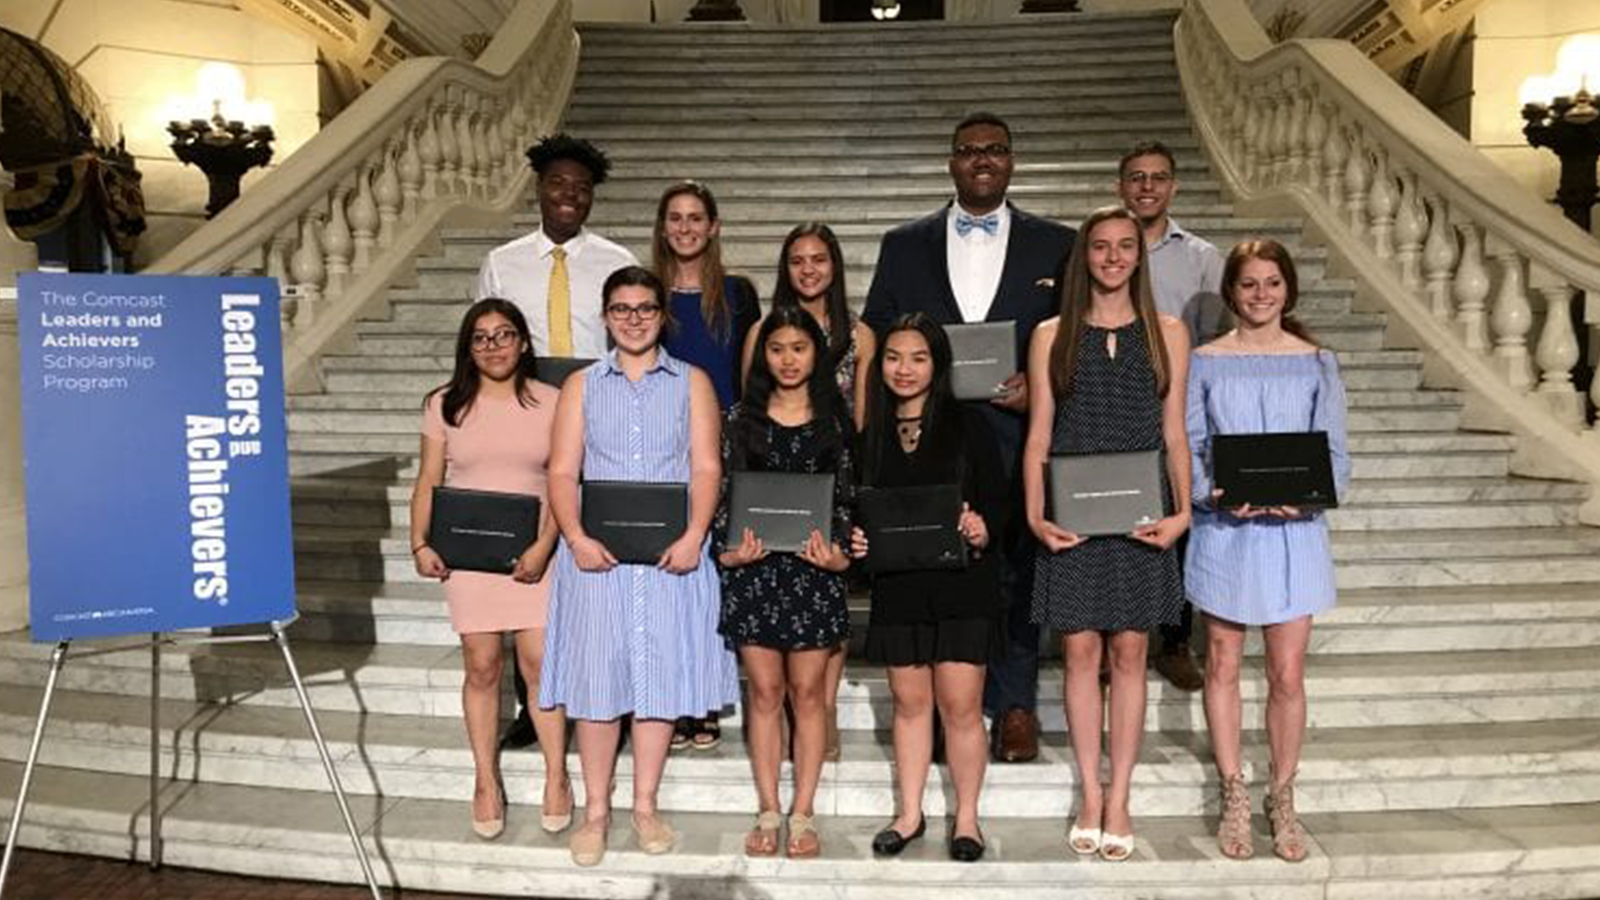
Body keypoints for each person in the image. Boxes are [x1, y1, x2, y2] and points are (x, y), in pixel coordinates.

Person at [864, 112, 1075, 764]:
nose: (982, 159)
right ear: (951, 162)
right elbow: (875, 333)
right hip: (926, 437)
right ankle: (928, 711)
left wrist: (1040, 388)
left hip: (1017, 438)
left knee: (1014, 569)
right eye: (968, 151)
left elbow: (1073, 343)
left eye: (995, 150)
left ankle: (1014, 704)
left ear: (1012, 162)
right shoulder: (905, 244)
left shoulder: (1057, 244)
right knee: (929, 562)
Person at [539, 266, 740, 867]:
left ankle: (644, 807)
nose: (633, 319)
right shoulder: (580, 385)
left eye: (645, 308)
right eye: (621, 309)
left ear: (662, 315)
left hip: (669, 557)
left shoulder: (691, 382)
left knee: (657, 685)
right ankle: (597, 810)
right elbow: (559, 470)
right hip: (595, 559)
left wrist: (694, 535)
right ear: (605, 317)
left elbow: (707, 467)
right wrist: (573, 536)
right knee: (598, 689)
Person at [1024, 205, 1191, 862]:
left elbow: (1175, 433)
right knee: (1079, 657)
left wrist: (1183, 514)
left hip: (1144, 516)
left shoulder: (1168, 333)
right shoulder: (1051, 335)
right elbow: (1038, 436)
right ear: (1084, 257)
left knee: (1130, 655)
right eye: (1101, 247)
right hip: (1073, 517)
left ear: (1139, 257)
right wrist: (1037, 514)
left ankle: (1119, 794)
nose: (1114, 257)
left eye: (1126, 247)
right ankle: (1088, 795)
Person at [1186, 239, 1350, 863]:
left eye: (1271, 284)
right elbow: (1192, 444)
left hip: (1294, 534)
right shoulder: (1204, 361)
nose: (1260, 296)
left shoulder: (1316, 363)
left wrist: (1307, 497)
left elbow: (1335, 453)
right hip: (1227, 530)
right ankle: (1233, 790)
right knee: (1223, 660)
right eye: (1249, 285)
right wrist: (1213, 494)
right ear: (1231, 292)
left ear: (1288, 290)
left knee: (1287, 673)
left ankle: (1282, 796)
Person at [474, 133, 636, 748]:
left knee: (598, 559)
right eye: (558, 183)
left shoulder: (615, 260)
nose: (569, 195)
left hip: (598, 416)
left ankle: (607, 699)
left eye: (581, 187)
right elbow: (485, 343)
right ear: (538, 189)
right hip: (526, 412)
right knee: (530, 561)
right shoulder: (502, 262)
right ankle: (534, 702)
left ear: (592, 197)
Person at [409, 298, 572, 840]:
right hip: (468, 557)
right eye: (481, 338)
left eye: (504, 335)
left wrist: (545, 545)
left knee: (539, 659)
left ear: (523, 342)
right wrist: (419, 543)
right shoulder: (443, 404)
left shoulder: (553, 401)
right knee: (481, 666)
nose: (494, 346)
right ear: (468, 348)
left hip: (534, 551)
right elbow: (429, 479)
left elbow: (561, 480)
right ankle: (485, 779)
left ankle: (556, 775)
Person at [849, 313, 1005, 863]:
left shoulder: (970, 425)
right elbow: (859, 512)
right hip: (901, 587)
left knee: (961, 707)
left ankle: (966, 819)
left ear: (938, 364)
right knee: (910, 705)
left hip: (964, 586)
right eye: (893, 357)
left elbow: (1000, 503)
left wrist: (984, 527)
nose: (904, 369)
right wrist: (859, 544)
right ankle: (909, 814)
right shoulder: (870, 436)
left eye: (918, 358)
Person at [715, 306, 854, 859]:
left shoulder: (835, 420)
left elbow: (846, 498)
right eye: (777, 349)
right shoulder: (737, 419)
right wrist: (728, 550)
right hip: (755, 574)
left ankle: (803, 812)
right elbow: (723, 495)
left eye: (799, 347)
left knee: (809, 695)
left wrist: (839, 554)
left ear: (816, 353)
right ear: (762, 356)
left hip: (813, 576)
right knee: (766, 693)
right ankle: (769, 808)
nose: (788, 359)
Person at [742, 221, 875, 762]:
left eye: (819, 259)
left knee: (829, 595)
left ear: (835, 266)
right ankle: (794, 714)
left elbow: (863, 419)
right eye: (798, 260)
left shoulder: (861, 334)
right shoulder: (761, 331)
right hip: (777, 469)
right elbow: (750, 411)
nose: (809, 269)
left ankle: (822, 707)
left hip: (832, 463)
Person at [653, 179, 762, 752]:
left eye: (697, 218)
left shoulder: (739, 293)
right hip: (662, 447)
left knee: (717, 575)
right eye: (676, 218)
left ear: (714, 226)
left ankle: (704, 698)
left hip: (723, 446)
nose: (687, 228)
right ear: (663, 227)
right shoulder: (647, 294)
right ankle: (672, 695)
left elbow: (753, 372)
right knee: (676, 575)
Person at [1118, 139, 1229, 693]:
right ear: (1122, 186)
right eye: (1136, 177)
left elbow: (1215, 343)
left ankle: (1175, 638)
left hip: (1178, 411)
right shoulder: (1099, 249)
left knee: (1178, 526)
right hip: (1112, 408)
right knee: (1114, 521)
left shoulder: (1203, 259)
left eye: (1157, 177)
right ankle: (1116, 634)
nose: (1146, 187)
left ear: (1173, 186)